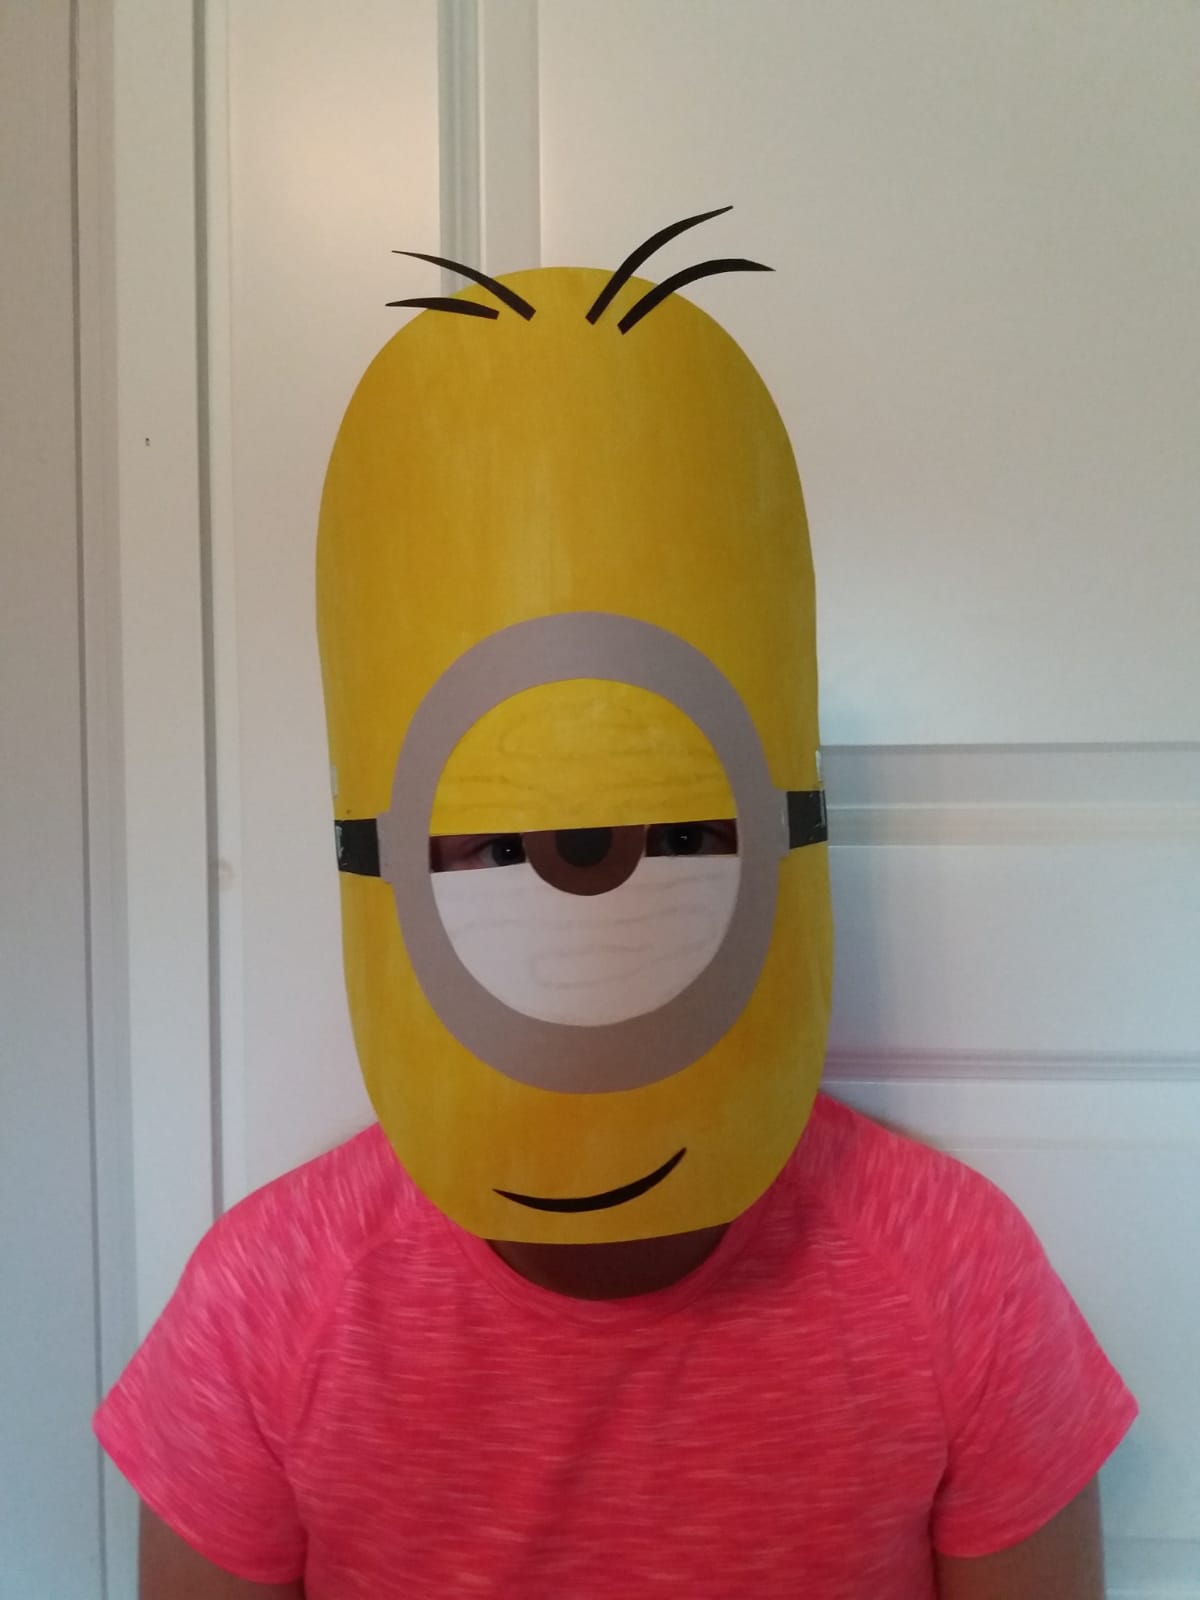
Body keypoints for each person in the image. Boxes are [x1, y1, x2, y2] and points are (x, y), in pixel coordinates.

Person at [96, 217, 1136, 1596]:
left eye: (682, 840)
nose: (594, 926)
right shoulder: (268, 1305)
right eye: (504, 849)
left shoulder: (954, 1276)